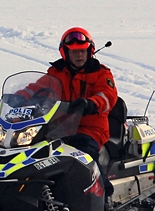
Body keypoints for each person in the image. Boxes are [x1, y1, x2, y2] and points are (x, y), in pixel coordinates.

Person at [41, 27, 118, 160]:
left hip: (90, 129)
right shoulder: (56, 72)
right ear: (66, 53)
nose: (79, 55)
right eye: (75, 52)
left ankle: (100, 181)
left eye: (82, 51)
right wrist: (13, 99)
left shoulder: (101, 73)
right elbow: (36, 88)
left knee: (83, 158)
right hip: (58, 128)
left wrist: (92, 103)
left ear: (89, 52)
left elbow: (108, 96)